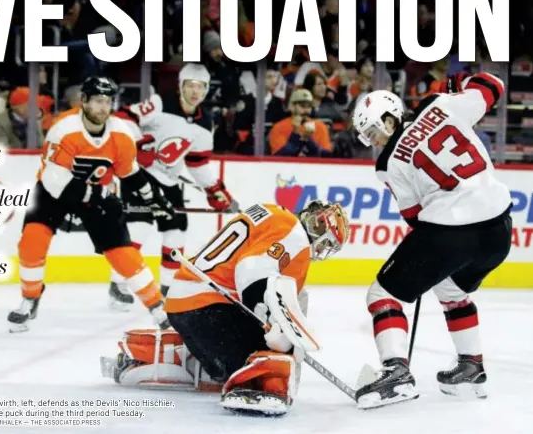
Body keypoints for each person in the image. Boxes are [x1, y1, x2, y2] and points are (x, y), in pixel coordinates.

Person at [351, 72, 513, 409]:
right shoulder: (443, 105)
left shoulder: (389, 164)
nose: (376, 141)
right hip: (499, 229)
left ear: (389, 115)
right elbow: (493, 84)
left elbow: (412, 215)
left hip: (452, 230)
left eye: (374, 131)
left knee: (383, 294)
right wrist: (460, 84)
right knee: (451, 289)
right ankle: (471, 367)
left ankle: (395, 372)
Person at [102, 200, 350, 416]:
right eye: (324, 242)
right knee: (269, 361)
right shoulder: (296, 238)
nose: (319, 248)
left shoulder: (274, 212)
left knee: (259, 352)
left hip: (185, 301)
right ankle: (224, 373)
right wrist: (273, 324)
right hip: (208, 307)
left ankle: (161, 356)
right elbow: (252, 271)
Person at [7, 77, 175, 332]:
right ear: (84, 101)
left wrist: (153, 198)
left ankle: (157, 306)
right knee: (32, 242)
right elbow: (56, 182)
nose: (103, 108)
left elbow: (130, 173)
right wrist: (97, 196)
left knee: (122, 252)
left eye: (107, 102)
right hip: (54, 193)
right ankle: (30, 298)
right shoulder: (63, 129)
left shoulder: (121, 134)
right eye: (97, 101)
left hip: (97, 193)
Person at [109, 64, 238, 309]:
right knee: (139, 229)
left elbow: (196, 162)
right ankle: (118, 285)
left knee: (176, 232)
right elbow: (123, 118)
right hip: (139, 174)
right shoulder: (159, 103)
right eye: (190, 85)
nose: (195, 91)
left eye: (200, 87)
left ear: (207, 90)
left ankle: (168, 289)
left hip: (170, 181)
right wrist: (137, 144)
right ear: (181, 86)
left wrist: (214, 190)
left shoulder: (205, 123)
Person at [268, 89, 332, 156]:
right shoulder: (279, 127)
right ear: (292, 107)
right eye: (302, 106)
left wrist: (308, 140)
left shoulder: (320, 126)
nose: (306, 110)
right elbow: (280, 158)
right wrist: (295, 133)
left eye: (309, 106)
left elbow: (326, 157)